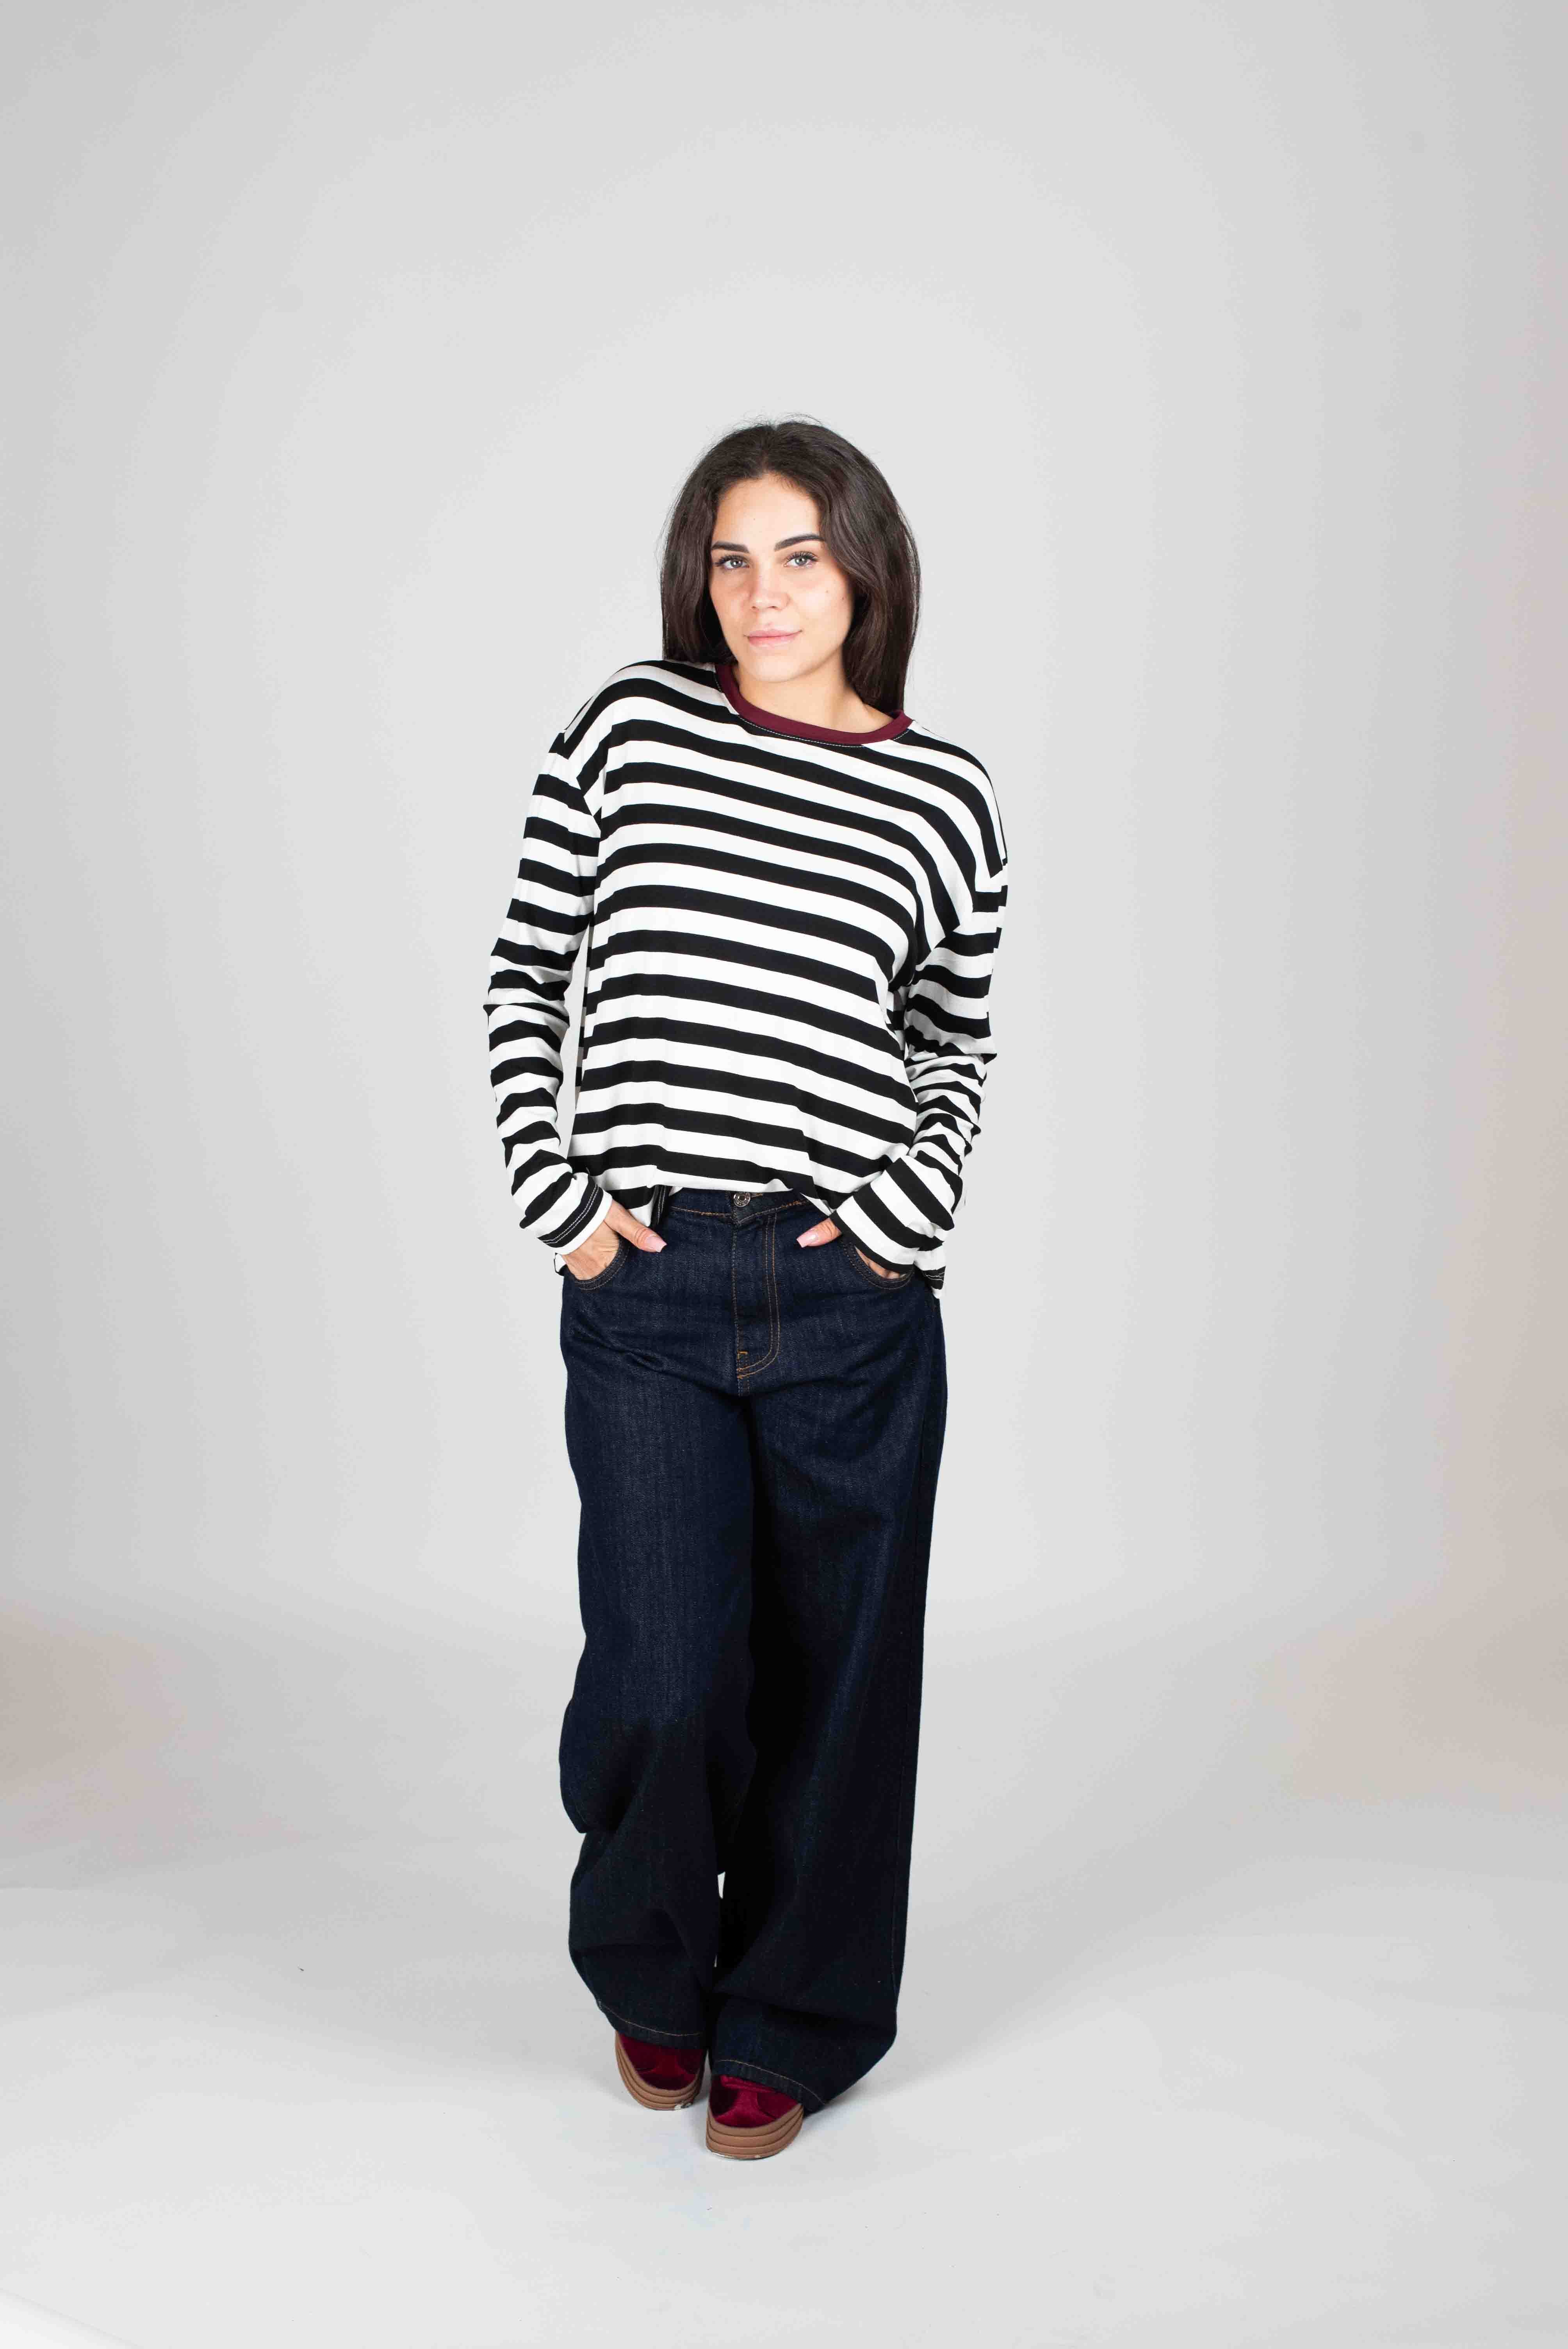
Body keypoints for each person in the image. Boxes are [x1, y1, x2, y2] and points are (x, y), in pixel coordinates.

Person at [483, 418, 1009, 2160]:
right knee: (662, 1667)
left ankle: (791, 2016)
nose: (763, 594)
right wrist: (558, 1196)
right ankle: (652, 1969)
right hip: (646, 1285)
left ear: (864, 569)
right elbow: (526, 970)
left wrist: (905, 1211)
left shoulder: (943, 800)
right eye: (731, 559)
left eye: (798, 556)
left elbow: (949, 1038)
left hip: (845, 1294)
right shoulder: (629, 731)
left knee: (840, 1679)